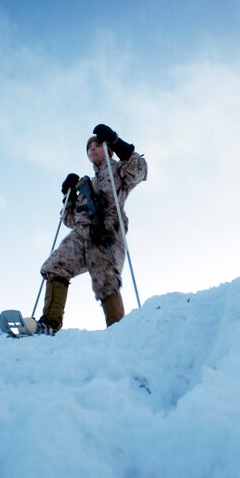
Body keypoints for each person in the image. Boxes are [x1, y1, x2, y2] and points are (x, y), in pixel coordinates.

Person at [38, 124, 148, 333]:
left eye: (97, 144)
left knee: (105, 279)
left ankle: (118, 331)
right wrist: (69, 197)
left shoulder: (117, 171)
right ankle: (49, 324)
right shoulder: (85, 187)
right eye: (89, 147)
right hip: (81, 233)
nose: (92, 148)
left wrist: (117, 142)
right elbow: (70, 220)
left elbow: (139, 169)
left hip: (107, 231)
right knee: (55, 264)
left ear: (107, 149)